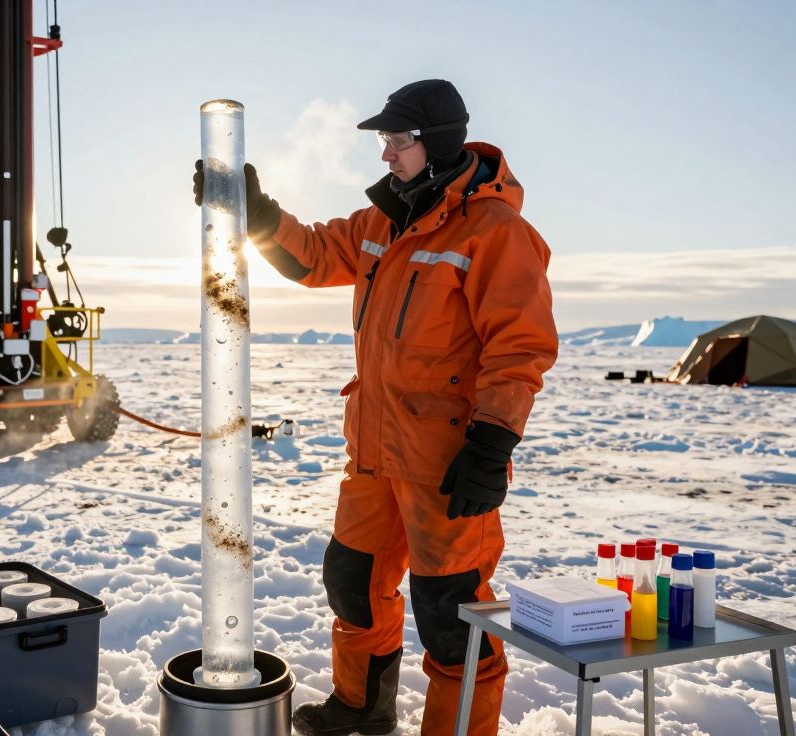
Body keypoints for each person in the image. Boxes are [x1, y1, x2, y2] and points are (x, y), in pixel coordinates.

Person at [192, 79, 558, 735]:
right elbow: (314, 257)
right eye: (384, 141)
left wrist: (492, 443)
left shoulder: (497, 232)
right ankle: (362, 709)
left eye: (396, 141)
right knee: (353, 583)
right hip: (375, 454)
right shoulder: (384, 223)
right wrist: (258, 214)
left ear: (435, 142)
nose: (385, 155)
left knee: (451, 616)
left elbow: (520, 348)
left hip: (446, 465)